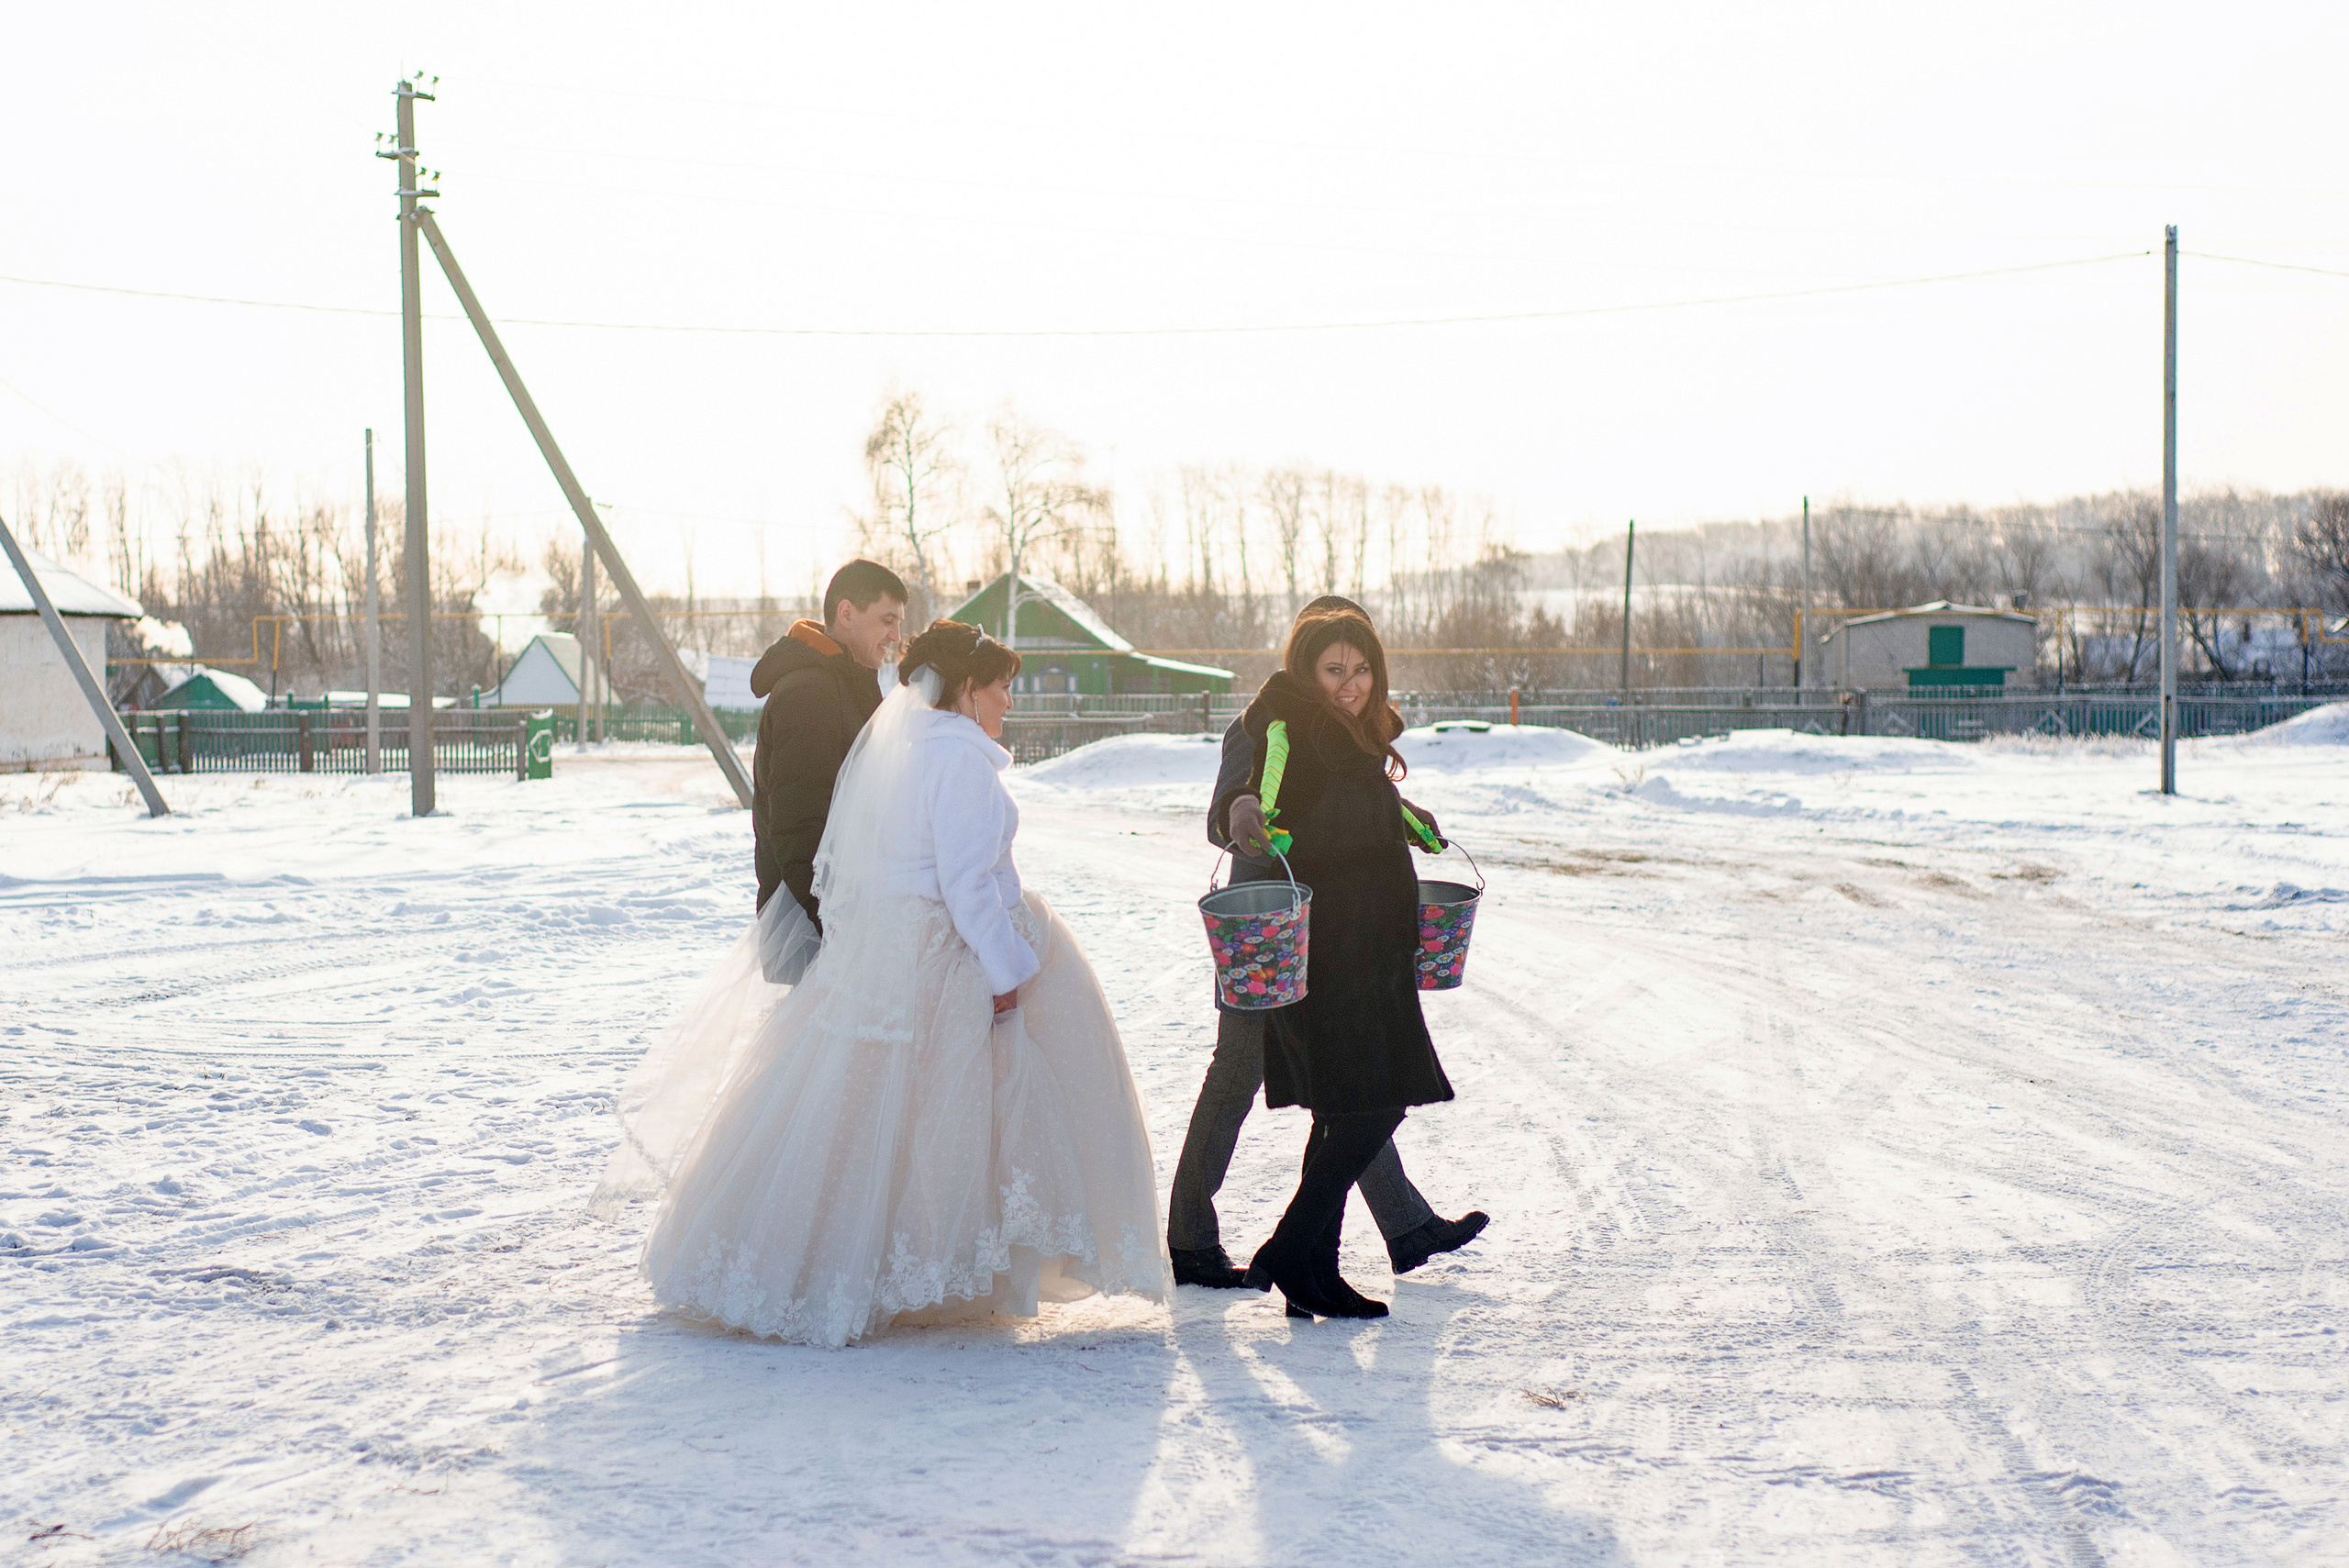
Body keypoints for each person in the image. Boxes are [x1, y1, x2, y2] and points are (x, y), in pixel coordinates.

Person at [594, 620, 1169, 1346]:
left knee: (860, 1107)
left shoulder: (904, 751)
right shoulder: (960, 761)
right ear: (968, 688)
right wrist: (1006, 972)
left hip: (892, 949)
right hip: (945, 951)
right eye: (1002, 687)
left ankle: (819, 1259)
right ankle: (925, 1265)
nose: (1009, 701)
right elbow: (967, 886)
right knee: (946, 1109)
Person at [1166, 596, 1486, 1289]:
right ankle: (1190, 1240)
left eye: (1359, 666)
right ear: (1305, 661)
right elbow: (1231, 807)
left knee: (1347, 1079)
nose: (1348, 681)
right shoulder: (1262, 724)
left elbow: (1335, 803)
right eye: (1333, 667)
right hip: (1269, 931)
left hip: (1329, 930)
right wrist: (1240, 812)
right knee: (1239, 1072)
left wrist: (1401, 814)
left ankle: (1404, 1225)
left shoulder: (1349, 731)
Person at [749, 560, 907, 920]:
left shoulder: (847, 684)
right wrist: (835, 924)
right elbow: (801, 828)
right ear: (847, 613)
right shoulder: (810, 692)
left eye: (899, 622)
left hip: (841, 907)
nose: (896, 636)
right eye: (887, 620)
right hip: (813, 921)